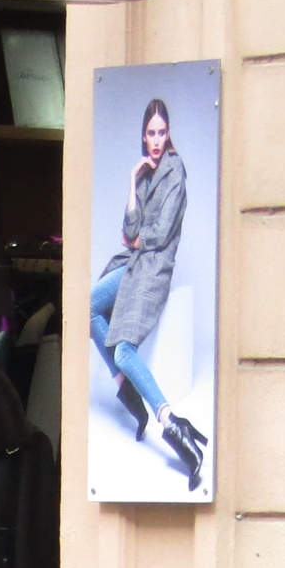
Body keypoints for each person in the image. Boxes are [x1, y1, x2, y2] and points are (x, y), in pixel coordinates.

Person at [91, 97, 208, 489]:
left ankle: (172, 426)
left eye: (162, 132)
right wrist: (130, 181)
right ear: (144, 135)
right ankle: (128, 392)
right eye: (151, 133)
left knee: (123, 348)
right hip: (132, 262)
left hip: (153, 269)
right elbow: (130, 230)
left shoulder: (175, 172)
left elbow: (158, 233)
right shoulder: (143, 175)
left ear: (168, 133)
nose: (156, 140)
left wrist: (138, 239)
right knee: (90, 308)